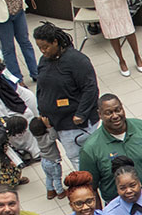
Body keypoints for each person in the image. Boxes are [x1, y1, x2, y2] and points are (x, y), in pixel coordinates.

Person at [79, 95, 142, 203]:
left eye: (118, 110)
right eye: (109, 113)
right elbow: (90, 189)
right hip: (120, 210)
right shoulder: (90, 148)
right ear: (100, 114)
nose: (115, 116)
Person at [32, 22, 99, 163]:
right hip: (57, 124)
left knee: (81, 159)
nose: (43, 51)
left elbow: (90, 88)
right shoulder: (44, 60)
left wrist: (81, 114)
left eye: (46, 47)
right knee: (74, 156)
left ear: (55, 42)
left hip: (75, 125)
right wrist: (42, 111)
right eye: (40, 48)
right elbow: (41, 87)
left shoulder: (77, 60)